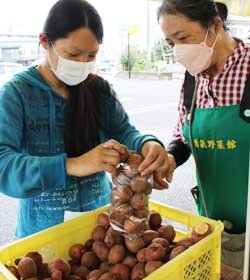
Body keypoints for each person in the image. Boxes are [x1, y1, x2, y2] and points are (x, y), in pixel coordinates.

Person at [0, 0, 171, 239]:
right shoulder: (16, 94)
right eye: (72, 54)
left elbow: (123, 132)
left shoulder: (97, 88)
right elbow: (3, 165)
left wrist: (147, 144)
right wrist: (73, 165)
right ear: (44, 42)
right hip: (42, 233)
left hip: (100, 226)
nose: (82, 64)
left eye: (91, 55)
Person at [157, 0, 250, 270]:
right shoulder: (191, 80)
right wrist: (169, 158)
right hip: (211, 225)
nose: (178, 50)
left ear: (215, 25)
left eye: (184, 37)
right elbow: (183, 135)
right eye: (171, 43)